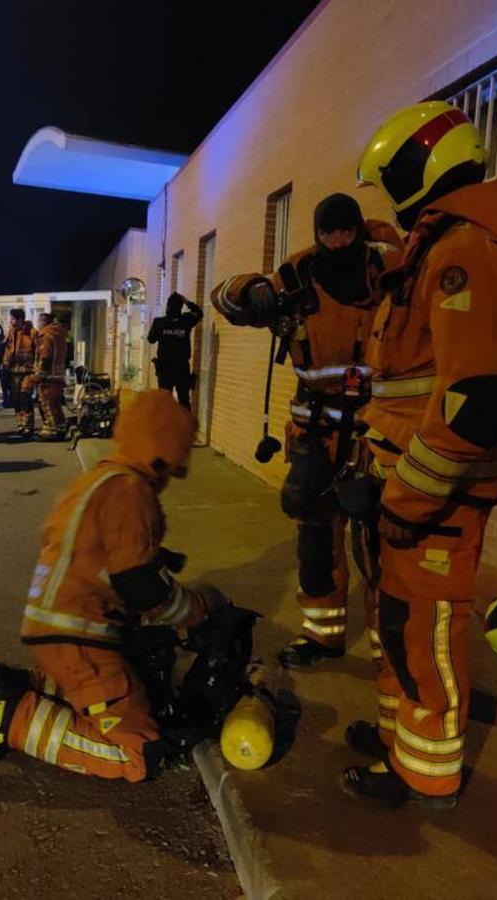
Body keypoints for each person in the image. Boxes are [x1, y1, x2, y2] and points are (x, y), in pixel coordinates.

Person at [340, 101, 497, 809]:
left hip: (432, 497)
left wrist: (407, 499)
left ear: (417, 168)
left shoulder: (466, 254)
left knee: (427, 632)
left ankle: (427, 771)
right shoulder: (441, 247)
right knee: (397, 622)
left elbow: (474, 399)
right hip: (406, 486)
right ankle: (399, 736)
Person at [0, 390, 227, 782]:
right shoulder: (132, 490)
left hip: (54, 629)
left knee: (117, 683)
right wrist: (197, 609)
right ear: (163, 454)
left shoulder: (100, 479)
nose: (169, 479)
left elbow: (84, 546)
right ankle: (11, 719)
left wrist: (158, 557)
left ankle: (20, 688)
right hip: (81, 637)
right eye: (171, 468)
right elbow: (142, 589)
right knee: (140, 753)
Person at [212, 193, 401, 670]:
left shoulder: (386, 271)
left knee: (377, 542)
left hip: (372, 432)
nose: (337, 241)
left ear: (358, 229)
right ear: (317, 233)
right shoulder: (298, 275)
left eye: (345, 231)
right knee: (315, 536)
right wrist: (250, 290)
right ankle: (322, 634)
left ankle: (390, 648)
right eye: (327, 232)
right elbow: (224, 299)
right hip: (315, 431)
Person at [147, 293, 203, 409]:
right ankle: (185, 426)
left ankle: (166, 426)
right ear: (180, 306)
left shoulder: (159, 322)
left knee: (164, 400)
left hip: (164, 368)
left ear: (168, 306)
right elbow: (199, 313)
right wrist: (187, 301)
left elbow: (151, 339)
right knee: (184, 400)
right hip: (181, 367)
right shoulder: (185, 320)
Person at [33, 311, 68, 440]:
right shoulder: (59, 334)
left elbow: (45, 356)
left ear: (43, 322)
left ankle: (50, 431)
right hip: (58, 376)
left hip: (48, 377)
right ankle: (61, 428)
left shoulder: (46, 335)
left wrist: (39, 375)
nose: (38, 324)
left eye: (39, 321)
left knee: (47, 404)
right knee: (56, 405)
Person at [3, 309, 37, 438]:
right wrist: (5, 364)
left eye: (12, 319)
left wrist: (37, 368)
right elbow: (8, 349)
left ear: (20, 319)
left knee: (25, 399)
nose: (10, 321)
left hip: (28, 370)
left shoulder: (32, 333)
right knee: (16, 400)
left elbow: (38, 350)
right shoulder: (12, 332)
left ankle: (28, 426)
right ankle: (20, 425)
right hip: (14, 371)